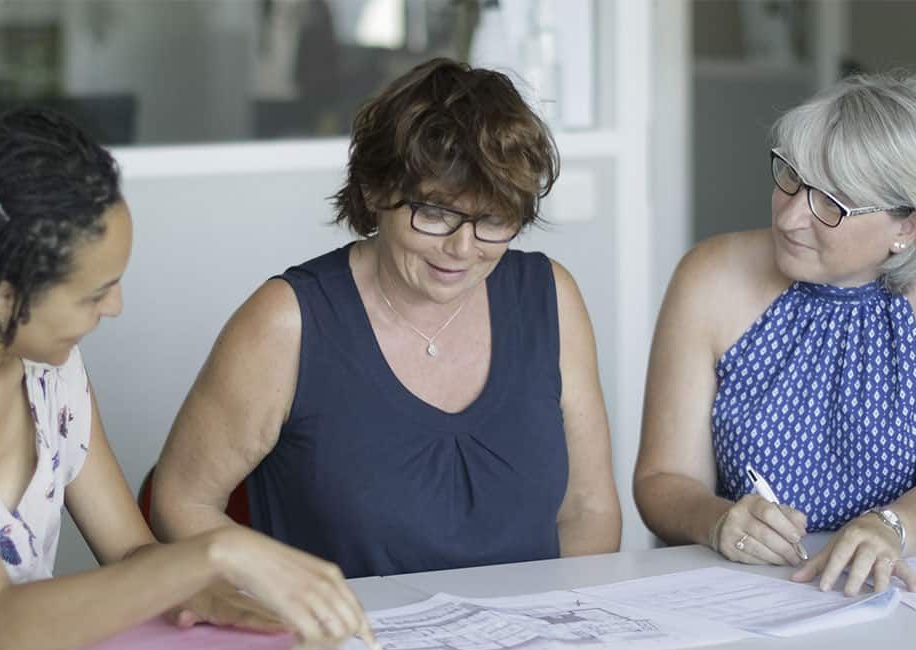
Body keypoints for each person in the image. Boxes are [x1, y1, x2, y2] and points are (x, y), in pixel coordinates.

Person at [0, 108, 376, 650]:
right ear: (0, 297)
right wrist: (218, 551)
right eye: (94, 294)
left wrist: (212, 595)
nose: (116, 307)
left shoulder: (52, 373)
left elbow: (132, 552)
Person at [152, 58, 621, 578]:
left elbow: (588, 510)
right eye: (436, 213)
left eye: (492, 219)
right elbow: (180, 503)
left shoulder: (549, 296)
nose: (462, 249)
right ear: (376, 190)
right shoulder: (288, 322)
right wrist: (289, 592)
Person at [634, 72, 916, 596]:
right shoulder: (710, 276)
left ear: (906, 228)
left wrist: (892, 525)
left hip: (895, 593)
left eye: (831, 203)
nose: (789, 218)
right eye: (790, 177)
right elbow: (662, 481)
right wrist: (716, 521)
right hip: (739, 592)